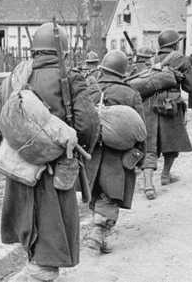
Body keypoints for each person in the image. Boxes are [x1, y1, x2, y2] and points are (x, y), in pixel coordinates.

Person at [0, 22, 100, 281]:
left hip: (19, 165)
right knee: (52, 225)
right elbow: (88, 124)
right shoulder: (70, 78)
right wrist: (76, 151)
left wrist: (18, 147)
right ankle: (39, 273)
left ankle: (35, 266)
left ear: (34, 49)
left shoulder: (13, 79)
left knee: (27, 219)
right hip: (55, 166)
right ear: (62, 50)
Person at [84, 50, 145, 254]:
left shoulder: (90, 91)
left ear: (102, 69)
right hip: (118, 156)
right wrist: (141, 156)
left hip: (92, 153)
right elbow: (140, 129)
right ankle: (97, 233)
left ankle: (100, 238)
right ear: (122, 71)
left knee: (97, 192)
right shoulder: (130, 93)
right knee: (111, 196)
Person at [140, 30, 192, 200]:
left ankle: (148, 184)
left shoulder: (150, 60)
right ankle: (165, 175)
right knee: (172, 141)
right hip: (170, 105)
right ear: (175, 44)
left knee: (149, 145)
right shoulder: (180, 59)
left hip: (149, 105)